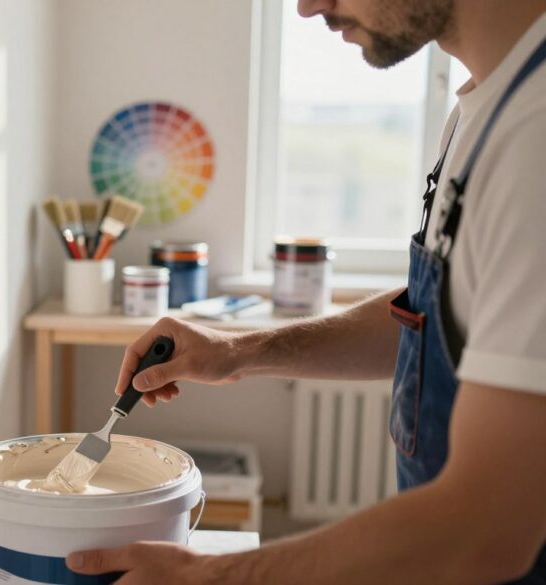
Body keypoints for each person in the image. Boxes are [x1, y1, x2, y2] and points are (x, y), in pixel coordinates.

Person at [66, 0, 546, 583]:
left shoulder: (534, 136)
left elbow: (485, 528)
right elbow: (444, 309)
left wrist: (213, 577)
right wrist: (241, 350)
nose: (306, 6)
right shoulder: (483, 109)